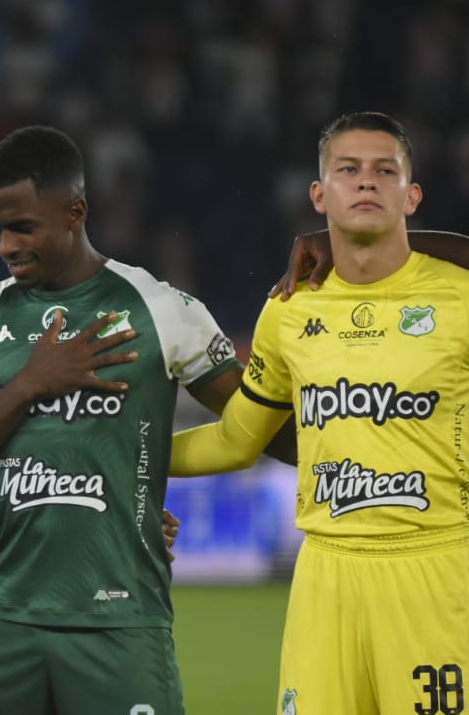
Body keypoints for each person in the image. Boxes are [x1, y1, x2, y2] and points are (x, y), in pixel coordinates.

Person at [0, 124, 252, 715]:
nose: (5, 245)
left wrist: (134, 483)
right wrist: (31, 384)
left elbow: (261, 427)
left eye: (23, 226)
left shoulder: (160, 309)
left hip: (121, 619)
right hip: (3, 619)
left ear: (75, 211)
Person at [169, 111, 469, 715]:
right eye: (348, 170)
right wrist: (122, 452)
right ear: (318, 193)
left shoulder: (458, 295)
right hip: (324, 576)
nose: (366, 183)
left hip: (437, 567)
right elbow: (237, 440)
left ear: (412, 196)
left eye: (385, 171)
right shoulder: (287, 310)